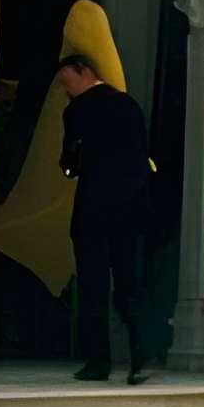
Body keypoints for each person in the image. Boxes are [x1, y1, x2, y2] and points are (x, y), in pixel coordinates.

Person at [56, 52, 160, 384]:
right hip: (130, 209)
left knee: (93, 287)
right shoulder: (128, 105)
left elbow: (69, 164)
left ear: (83, 71)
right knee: (132, 283)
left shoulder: (76, 111)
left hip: (93, 210)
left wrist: (75, 165)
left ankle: (98, 361)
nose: (64, 88)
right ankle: (141, 358)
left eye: (66, 80)